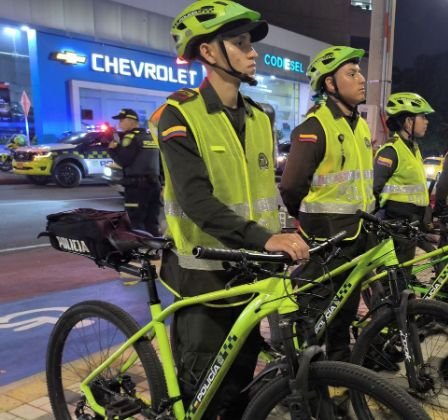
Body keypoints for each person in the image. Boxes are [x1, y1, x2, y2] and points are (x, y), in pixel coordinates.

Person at [149, 2, 309, 417]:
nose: (252, 51)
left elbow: (266, 192)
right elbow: (197, 201)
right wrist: (265, 238)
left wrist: (288, 228)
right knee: (201, 389)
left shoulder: (260, 117)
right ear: (208, 52)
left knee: (239, 380)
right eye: (240, 43)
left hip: (247, 270)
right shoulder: (177, 115)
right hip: (202, 278)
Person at [279, 45, 373, 361]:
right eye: (352, 73)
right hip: (324, 238)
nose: (361, 78)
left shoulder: (359, 125)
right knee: (317, 313)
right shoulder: (314, 126)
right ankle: (310, 377)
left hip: (356, 235)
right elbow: (291, 186)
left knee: (346, 307)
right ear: (330, 84)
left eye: (359, 71)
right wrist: (305, 221)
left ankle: (341, 364)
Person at [373, 92, 434, 264]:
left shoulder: (413, 148)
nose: (426, 121)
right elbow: (374, 189)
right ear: (408, 121)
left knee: (403, 277)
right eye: (423, 117)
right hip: (395, 226)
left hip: (410, 226)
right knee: (393, 281)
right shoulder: (391, 151)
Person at [108, 108, 161, 236]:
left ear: (131, 121)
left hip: (136, 187)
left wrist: (112, 150)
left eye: (121, 120)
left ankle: (140, 251)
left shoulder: (130, 138)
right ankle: (154, 250)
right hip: (154, 184)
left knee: (135, 221)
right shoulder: (151, 137)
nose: (119, 124)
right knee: (152, 220)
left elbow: (123, 161)